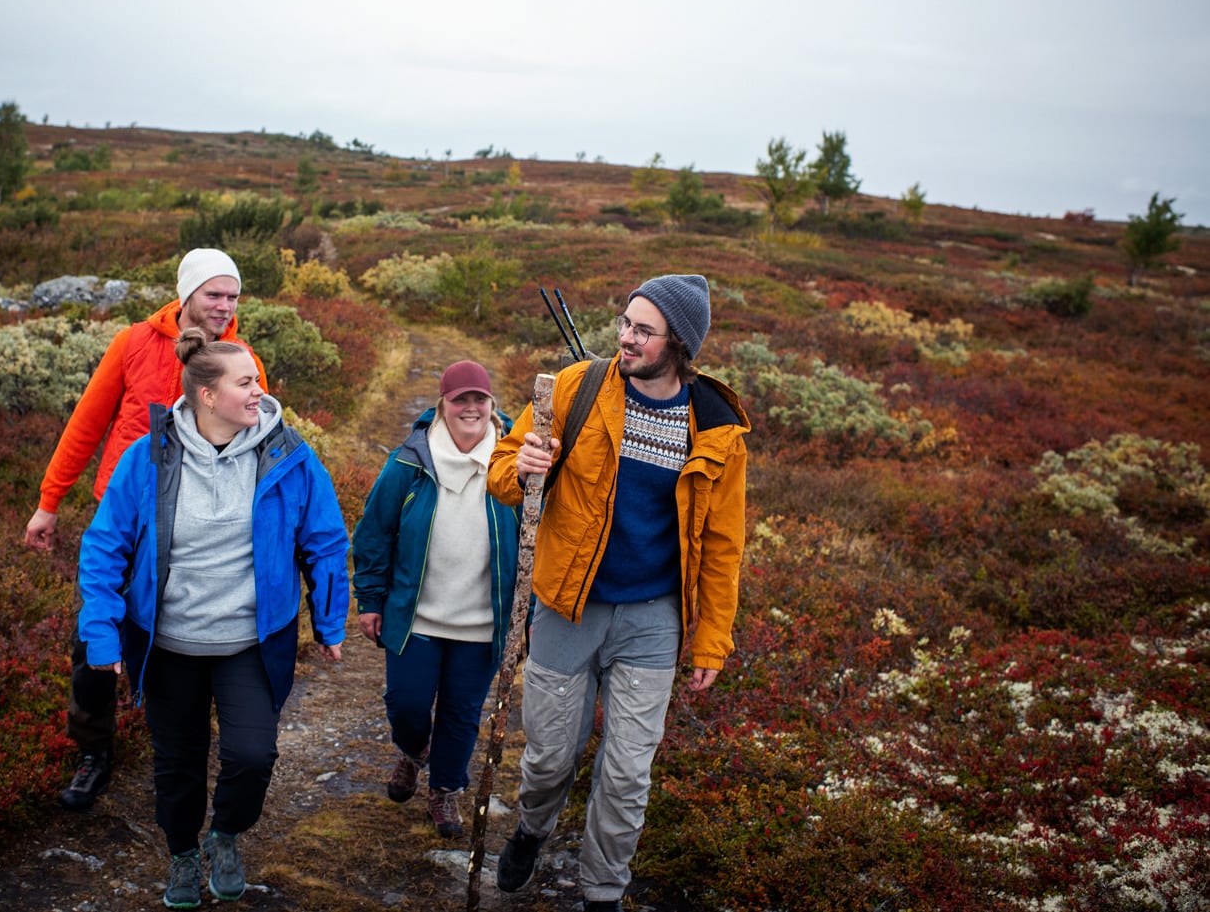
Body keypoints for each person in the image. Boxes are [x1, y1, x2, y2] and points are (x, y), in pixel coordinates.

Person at [485, 274, 750, 912]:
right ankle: (534, 827)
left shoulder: (715, 427)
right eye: (626, 322)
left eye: (643, 330)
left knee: (628, 774)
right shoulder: (577, 388)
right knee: (551, 757)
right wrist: (523, 469)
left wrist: (711, 637)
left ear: (679, 344)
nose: (626, 337)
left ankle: (603, 892)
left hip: (654, 617)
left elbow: (722, 544)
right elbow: (501, 469)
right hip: (566, 604)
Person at [75, 330, 349, 909]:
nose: (258, 392)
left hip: (249, 640)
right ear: (206, 394)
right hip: (168, 644)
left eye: (256, 381)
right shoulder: (148, 455)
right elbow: (104, 548)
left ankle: (224, 836)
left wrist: (329, 622)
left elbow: (325, 541)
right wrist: (101, 631)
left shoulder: (289, 454)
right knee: (178, 764)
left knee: (253, 755)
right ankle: (181, 854)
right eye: (245, 382)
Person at [24, 248, 269, 812]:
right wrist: (49, 501)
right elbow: (87, 423)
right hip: (126, 519)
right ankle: (94, 751)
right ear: (186, 295)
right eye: (214, 294)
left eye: (232, 296)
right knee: (94, 641)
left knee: (184, 638)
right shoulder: (133, 343)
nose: (224, 306)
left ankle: (181, 739)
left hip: (198, 530)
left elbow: (259, 439)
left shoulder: (240, 356)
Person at [351, 360, 522, 837]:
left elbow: (539, 540)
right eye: (459, 399)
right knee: (407, 705)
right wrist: (370, 598)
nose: (470, 407)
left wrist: (526, 620)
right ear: (442, 405)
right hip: (416, 617)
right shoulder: (408, 461)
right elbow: (374, 534)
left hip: (483, 623)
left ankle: (445, 791)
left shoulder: (513, 464)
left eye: (479, 400)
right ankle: (412, 750)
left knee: (461, 713)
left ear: (492, 406)